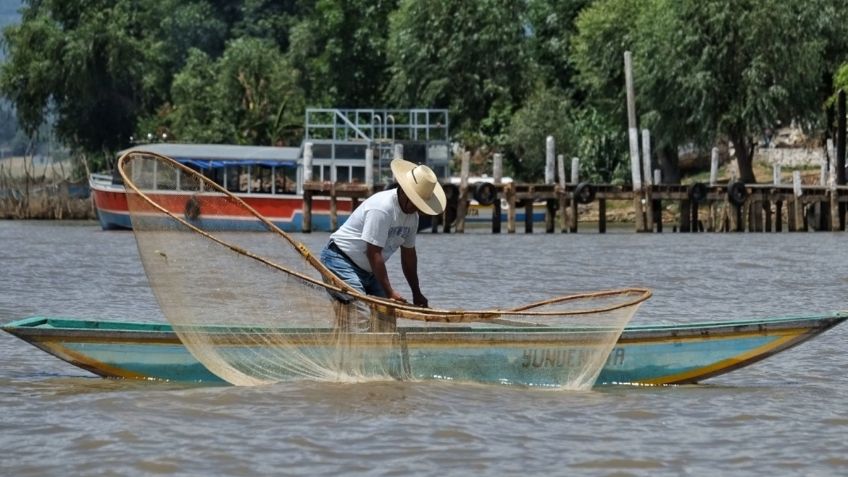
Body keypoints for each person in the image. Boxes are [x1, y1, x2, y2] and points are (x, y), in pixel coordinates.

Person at [320, 158, 446, 308]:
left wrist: (416, 293)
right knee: (359, 310)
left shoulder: (413, 218)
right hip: (340, 260)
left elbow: (409, 257)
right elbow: (373, 253)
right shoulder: (382, 208)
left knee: (386, 312)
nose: (417, 209)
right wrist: (390, 292)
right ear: (405, 192)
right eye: (416, 202)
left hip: (369, 271)